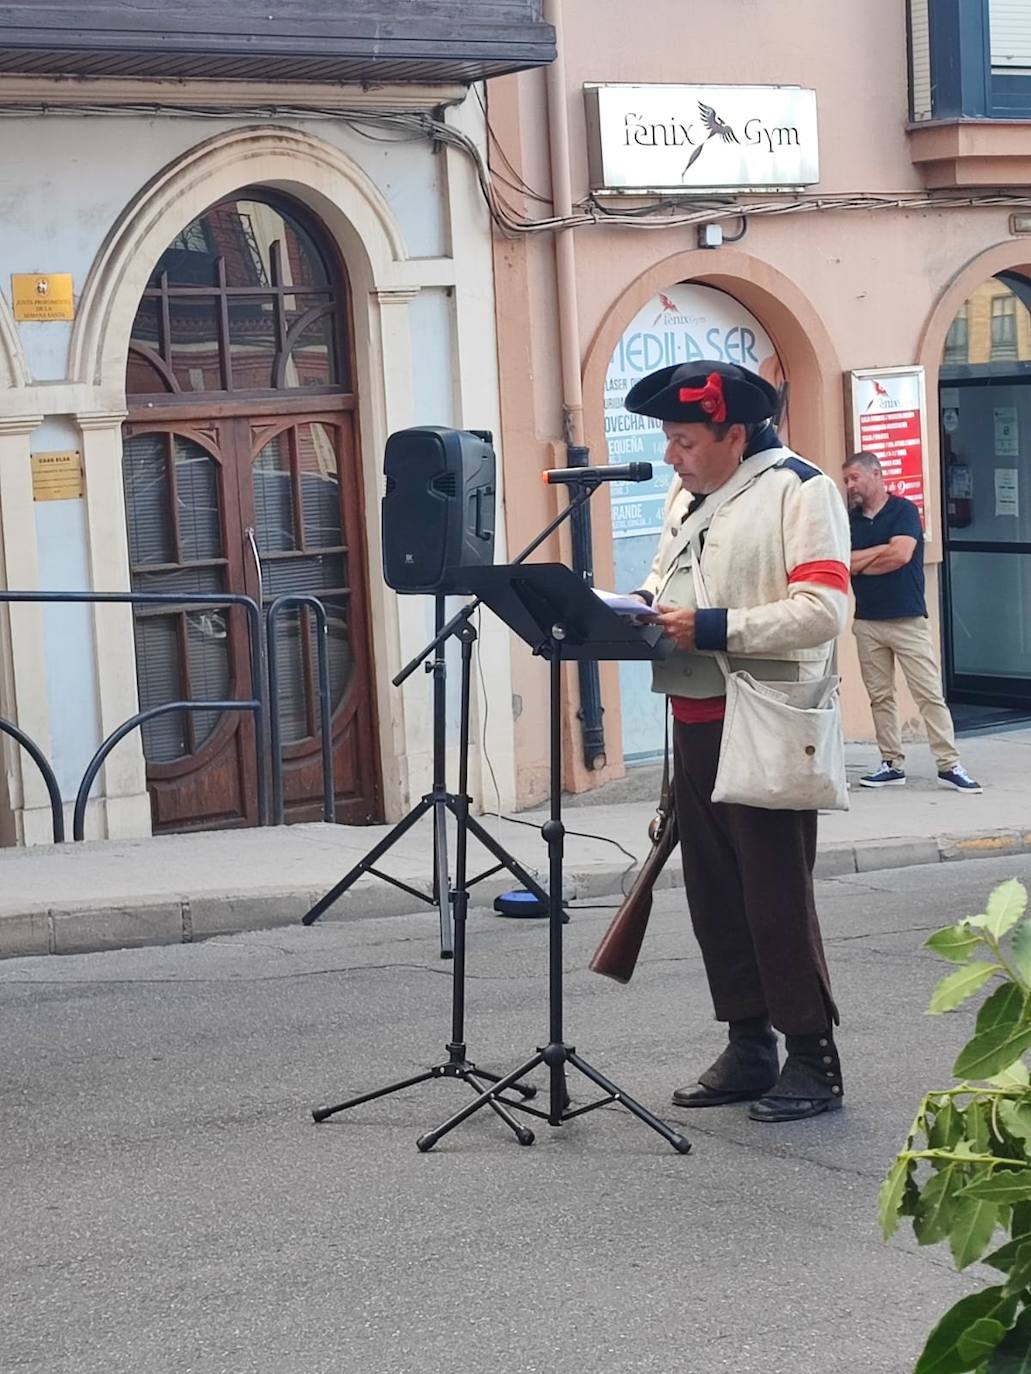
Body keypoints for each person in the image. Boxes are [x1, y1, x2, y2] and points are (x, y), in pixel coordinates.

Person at [625, 359, 850, 1123]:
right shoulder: (685, 496)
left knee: (773, 896)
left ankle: (813, 1058)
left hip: (764, 719)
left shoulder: (799, 488)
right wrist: (634, 611)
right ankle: (748, 1045)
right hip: (692, 718)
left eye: (683, 439)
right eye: (667, 439)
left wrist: (715, 626)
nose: (670, 455)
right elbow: (666, 586)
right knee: (715, 897)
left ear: (732, 431)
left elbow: (822, 610)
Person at [843, 451, 981, 793]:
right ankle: (891, 763)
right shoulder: (850, 519)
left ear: (876, 474)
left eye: (854, 478)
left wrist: (865, 559)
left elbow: (901, 555)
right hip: (868, 620)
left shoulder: (904, 510)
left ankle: (949, 764)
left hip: (906, 617)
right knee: (880, 696)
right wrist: (878, 551)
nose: (849, 486)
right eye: (846, 480)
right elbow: (843, 563)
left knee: (928, 693)